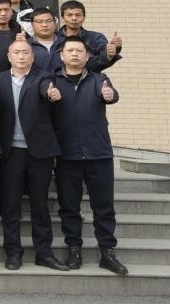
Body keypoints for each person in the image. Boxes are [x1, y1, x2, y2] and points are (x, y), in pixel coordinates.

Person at [50, 35, 127, 275]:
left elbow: (111, 94)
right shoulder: (52, 82)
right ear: (61, 55)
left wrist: (110, 96)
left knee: (104, 206)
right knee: (69, 207)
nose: (74, 54)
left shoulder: (98, 79)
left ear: (87, 56)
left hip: (98, 153)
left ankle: (107, 252)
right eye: (70, 50)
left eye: (79, 51)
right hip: (67, 156)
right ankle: (74, 249)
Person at [0, 37, 68, 271]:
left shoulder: (43, 78)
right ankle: (13, 253)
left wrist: (50, 94)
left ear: (33, 57)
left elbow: (47, 90)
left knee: (40, 204)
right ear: (8, 57)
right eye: (17, 53)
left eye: (26, 53)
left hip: (39, 152)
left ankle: (44, 253)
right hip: (10, 152)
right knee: (10, 205)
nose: (21, 56)